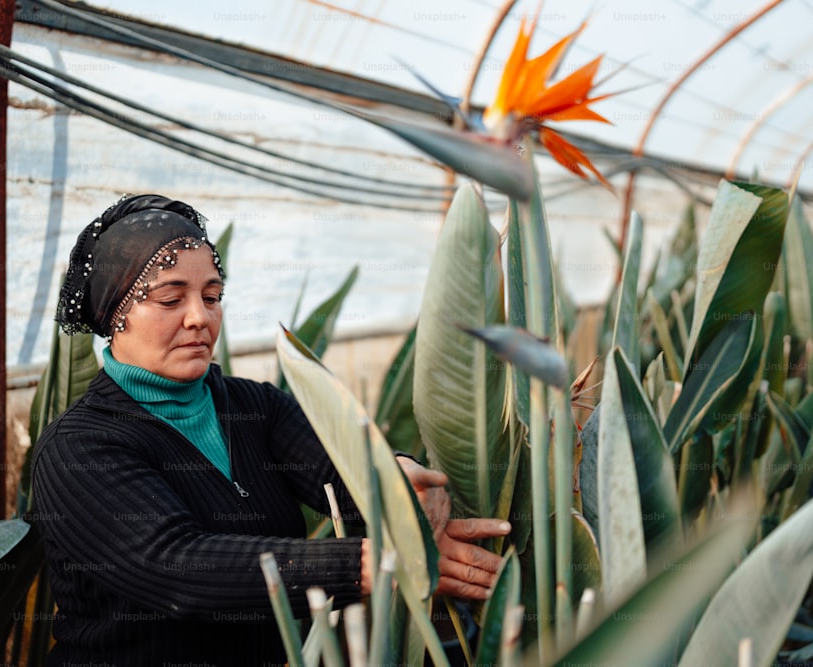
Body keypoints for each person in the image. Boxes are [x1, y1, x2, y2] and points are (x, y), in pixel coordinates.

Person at [31, 194, 511, 666]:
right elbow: (181, 569)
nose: (200, 316)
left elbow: (347, 476)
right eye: (171, 298)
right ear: (115, 314)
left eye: (212, 296)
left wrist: (402, 479)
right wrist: (377, 563)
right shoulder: (79, 448)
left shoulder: (254, 407)